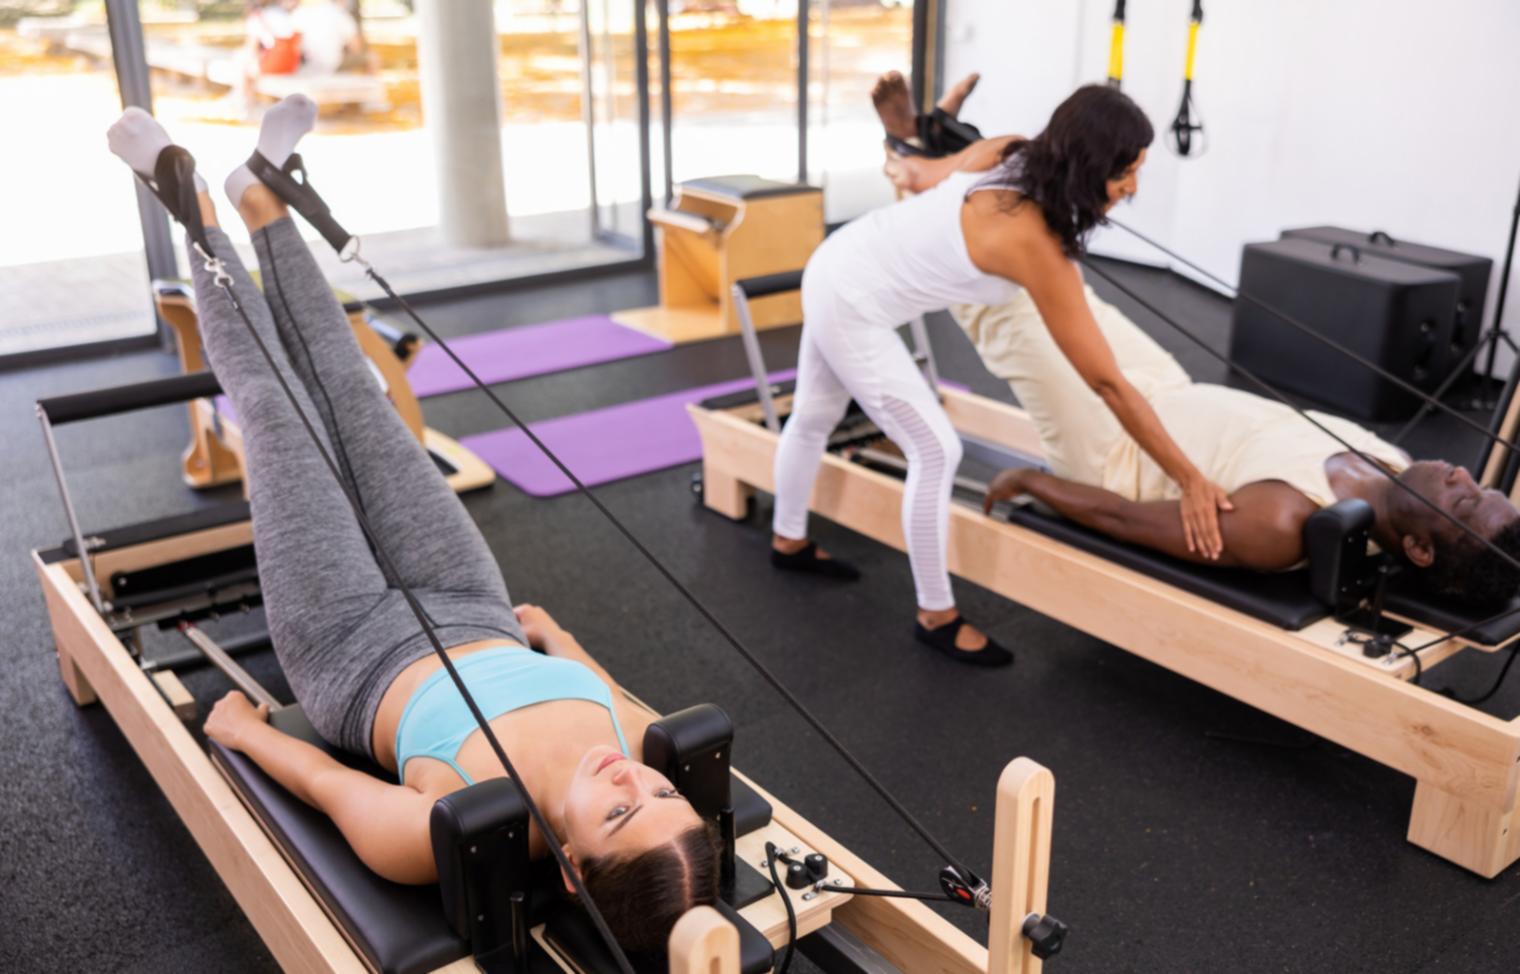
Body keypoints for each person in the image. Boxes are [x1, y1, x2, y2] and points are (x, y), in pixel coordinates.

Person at [106, 97, 717, 961]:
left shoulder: (453, 826)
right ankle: (261, 199)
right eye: (661, 791)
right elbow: (601, 686)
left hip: (349, 646)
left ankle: (189, 201)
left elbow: (323, 782)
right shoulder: (632, 745)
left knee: (279, 419)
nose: (631, 778)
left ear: (574, 864)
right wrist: (555, 635)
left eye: (620, 812)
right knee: (362, 400)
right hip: (471, 603)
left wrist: (246, 732)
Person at [871, 70, 1520, 606]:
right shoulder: (1393, 466)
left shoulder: (1283, 523)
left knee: (1004, 309)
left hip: (1112, 450)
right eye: (1478, 482)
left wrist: (1036, 484)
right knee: (1061, 288)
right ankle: (935, 145)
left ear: (1421, 550)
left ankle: (908, 156)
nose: (1464, 473)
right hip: (1164, 390)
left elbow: (1129, 520)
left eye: (1464, 497)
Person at [774, 82, 1235, 668]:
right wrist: (1190, 478)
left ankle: (787, 541)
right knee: (935, 448)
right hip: (851, 302)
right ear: (1091, 167)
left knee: (814, 415)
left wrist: (908, 139)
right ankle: (936, 616)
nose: (1133, 189)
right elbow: (1108, 384)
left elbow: (918, 178)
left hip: (838, 260)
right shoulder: (1036, 247)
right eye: (1126, 174)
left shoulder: (1010, 151)